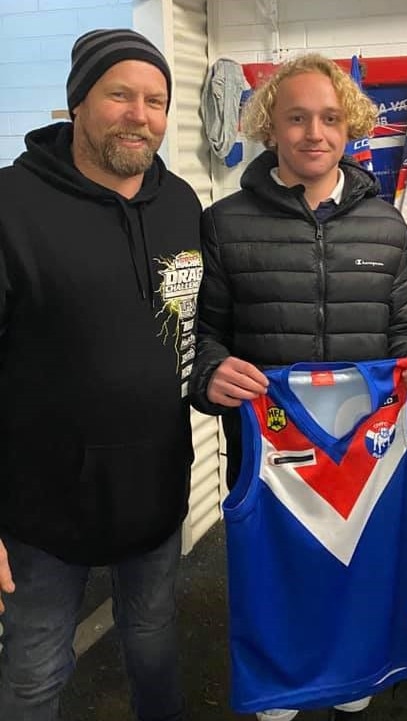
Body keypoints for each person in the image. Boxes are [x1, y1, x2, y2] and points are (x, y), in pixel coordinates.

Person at [189, 53, 407, 721]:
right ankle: (278, 681)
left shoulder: (387, 225)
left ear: (351, 126)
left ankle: (351, 672)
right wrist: (210, 374)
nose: (314, 132)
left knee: (355, 580)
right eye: (297, 118)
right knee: (276, 579)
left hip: (366, 462)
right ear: (269, 125)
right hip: (271, 460)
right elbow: (205, 341)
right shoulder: (224, 223)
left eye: (330, 118)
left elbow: (403, 337)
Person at [0, 28, 202, 721]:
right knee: (34, 671)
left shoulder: (181, 206)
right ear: (78, 102)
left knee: (151, 639)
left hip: (154, 490)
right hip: (40, 507)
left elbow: (186, 331)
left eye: (155, 100)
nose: (139, 114)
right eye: (120, 94)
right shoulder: (10, 205)